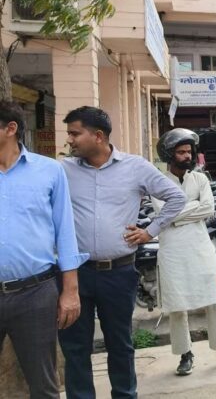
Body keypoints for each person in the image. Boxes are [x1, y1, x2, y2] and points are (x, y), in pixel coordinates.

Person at [59, 106, 186, 399]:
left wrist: (150, 231)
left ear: (98, 136)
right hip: (74, 275)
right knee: (75, 346)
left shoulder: (135, 167)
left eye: (75, 133)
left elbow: (176, 197)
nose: (70, 140)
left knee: (120, 344)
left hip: (118, 272)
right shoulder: (63, 170)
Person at [0, 101, 87, 398]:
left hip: (34, 293)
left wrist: (70, 291)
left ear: (10, 129)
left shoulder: (49, 171)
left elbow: (65, 232)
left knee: (44, 385)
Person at [153, 129, 216, 376]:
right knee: (177, 306)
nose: (187, 156)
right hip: (172, 250)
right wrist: (188, 208)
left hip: (199, 246)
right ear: (169, 154)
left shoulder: (200, 179)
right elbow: (163, 215)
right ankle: (185, 354)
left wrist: (176, 214)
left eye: (189, 151)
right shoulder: (158, 182)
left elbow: (207, 208)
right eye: (181, 152)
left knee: (214, 299)